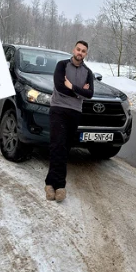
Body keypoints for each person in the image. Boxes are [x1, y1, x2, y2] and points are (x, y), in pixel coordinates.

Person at [45, 40, 94, 202]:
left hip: (75, 112)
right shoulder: (61, 65)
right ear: (74, 49)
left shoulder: (88, 73)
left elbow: (90, 94)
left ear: (86, 54)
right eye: (78, 49)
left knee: (65, 148)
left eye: (83, 51)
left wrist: (72, 87)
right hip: (58, 108)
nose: (80, 53)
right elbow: (60, 87)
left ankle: (49, 182)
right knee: (57, 144)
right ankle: (60, 186)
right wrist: (80, 91)